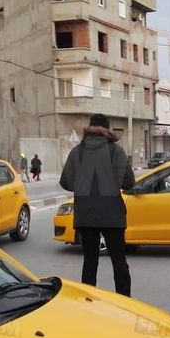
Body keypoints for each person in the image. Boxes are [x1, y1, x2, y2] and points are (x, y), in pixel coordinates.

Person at [60, 114, 135, 296]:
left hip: (85, 215)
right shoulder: (116, 151)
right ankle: (125, 302)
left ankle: (89, 302)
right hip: (112, 216)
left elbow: (65, 182)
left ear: (90, 128)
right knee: (119, 261)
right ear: (107, 130)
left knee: (90, 261)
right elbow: (128, 182)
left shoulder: (77, 152)